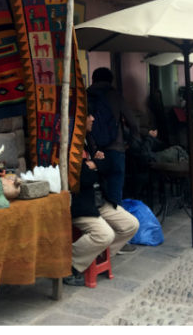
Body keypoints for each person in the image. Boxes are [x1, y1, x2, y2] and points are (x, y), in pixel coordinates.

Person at [64, 112, 141, 287]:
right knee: (105, 235)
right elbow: (82, 179)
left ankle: (95, 255)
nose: (93, 118)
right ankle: (69, 265)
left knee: (131, 225)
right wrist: (95, 167)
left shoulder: (89, 141)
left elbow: (109, 165)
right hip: (83, 204)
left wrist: (94, 166)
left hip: (100, 201)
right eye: (88, 115)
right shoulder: (69, 147)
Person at [87, 67, 142, 207]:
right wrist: (130, 143)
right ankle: (117, 225)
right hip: (115, 150)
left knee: (95, 194)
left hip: (93, 151)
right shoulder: (115, 95)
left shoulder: (85, 96)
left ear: (93, 79)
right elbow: (133, 123)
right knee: (114, 196)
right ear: (110, 81)